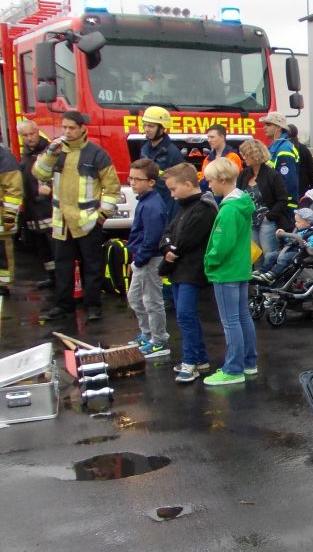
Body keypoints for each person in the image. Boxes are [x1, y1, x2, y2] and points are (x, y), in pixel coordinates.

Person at [34, 111, 120, 322]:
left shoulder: (97, 154)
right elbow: (39, 174)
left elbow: (112, 187)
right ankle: (64, 305)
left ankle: (93, 306)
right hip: (62, 220)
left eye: (71, 128)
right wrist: (50, 155)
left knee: (91, 265)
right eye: (64, 127)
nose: (67, 132)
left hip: (87, 219)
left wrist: (102, 215)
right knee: (62, 265)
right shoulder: (55, 150)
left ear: (83, 128)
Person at [160, 163, 218, 384]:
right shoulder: (184, 207)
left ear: (187, 184)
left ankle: (190, 361)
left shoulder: (203, 208)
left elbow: (185, 239)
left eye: (173, 189)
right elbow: (168, 233)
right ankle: (200, 358)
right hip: (179, 270)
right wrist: (168, 247)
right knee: (185, 316)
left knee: (185, 315)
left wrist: (171, 249)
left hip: (192, 270)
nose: (172, 194)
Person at [203, 157, 258, 386]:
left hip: (226, 271)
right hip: (240, 268)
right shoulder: (242, 204)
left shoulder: (228, 210)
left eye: (211, 181)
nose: (209, 185)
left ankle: (233, 369)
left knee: (230, 321)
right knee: (243, 317)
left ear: (223, 180)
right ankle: (248, 362)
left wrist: (209, 261)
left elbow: (221, 245)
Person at [125, 159, 170, 358]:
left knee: (152, 301)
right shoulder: (145, 201)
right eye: (130, 178)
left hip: (150, 259)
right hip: (143, 257)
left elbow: (152, 238)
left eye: (137, 179)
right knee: (135, 298)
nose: (132, 182)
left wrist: (139, 260)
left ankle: (159, 340)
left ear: (151, 182)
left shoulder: (152, 206)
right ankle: (147, 334)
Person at [237, 139, 292, 261]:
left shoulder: (272, 175)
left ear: (255, 155)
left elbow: (283, 200)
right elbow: (238, 194)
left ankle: (271, 273)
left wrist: (269, 217)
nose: (243, 158)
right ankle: (258, 273)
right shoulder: (244, 174)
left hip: (267, 221)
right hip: (250, 221)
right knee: (255, 256)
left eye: (246, 155)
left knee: (269, 254)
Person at [17, 120, 55, 289]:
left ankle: (64, 280)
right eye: (24, 135)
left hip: (49, 209)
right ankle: (52, 277)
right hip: (33, 210)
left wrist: (51, 189)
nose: (29, 138)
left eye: (31, 134)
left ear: (37, 131)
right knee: (43, 248)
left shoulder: (49, 152)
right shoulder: (26, 155)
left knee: (56, 247)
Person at [253, 207, 313, 283]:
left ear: (307, 223)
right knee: (271, 255)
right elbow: (289, 240)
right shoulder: (297, 230)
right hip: (289, 249)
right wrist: (283, 235)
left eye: (298, 222)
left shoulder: (312, 233)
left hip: (299, 252)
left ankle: (272, 274)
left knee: (284, 258)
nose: (295, 223)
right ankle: (262, 271)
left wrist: (307, 244)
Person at [139, 106, 185, 210]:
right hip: (147, 204)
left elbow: (181, 185)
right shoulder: (144, 150)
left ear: (161, 128)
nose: (146, 129)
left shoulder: (173, 153)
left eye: (151, 126)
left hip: (166, 207)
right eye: (145, 125)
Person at [260, 112, 300, 205]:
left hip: (283, 205)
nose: (264, 127)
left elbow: (287, 181)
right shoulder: (274, 147)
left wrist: (283, 205)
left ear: (278, 127)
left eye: (268, 124)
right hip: (275, 202)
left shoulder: (284, 150)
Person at [0, 144, 21, 296]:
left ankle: (3, 284)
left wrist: (9, 214)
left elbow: (14, 189)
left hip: (1, 216)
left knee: (2, 254)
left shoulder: (4, 158)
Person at [199, 124, 243, 194]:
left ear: (222, 137)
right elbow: (203, 181)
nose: (209, 140)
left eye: (212, 137)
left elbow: (231, 181)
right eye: (208, 137)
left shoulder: (233, 157)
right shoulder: (207, 159)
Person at [288, 124, 313, 196]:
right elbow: (312, 169)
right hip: (303, 187)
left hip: (288, 187)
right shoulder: (303, 149)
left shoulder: (284, 149)